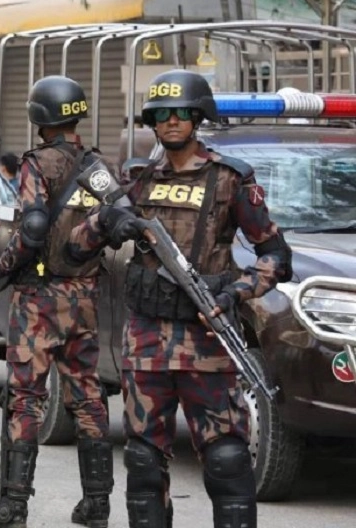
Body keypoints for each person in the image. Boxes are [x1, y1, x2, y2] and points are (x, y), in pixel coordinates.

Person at [68, 70, 291, 528]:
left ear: (198, 118)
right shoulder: (137, 182)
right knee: (144, 461)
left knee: (228, 458)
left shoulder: (229, 179)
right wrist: (110, 223)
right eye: (162, 114)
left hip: (206, 341)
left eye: (182, 113)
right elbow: (74, 247)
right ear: (152, 122)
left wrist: (235, 293)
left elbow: (275, 255)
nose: (171, 122)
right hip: (146, 343)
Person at [0, 76, 112, 528]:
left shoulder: (37, 163)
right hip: (86, 295)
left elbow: (32, 229)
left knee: (25, 396)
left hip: (39, 297)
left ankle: (13, 504)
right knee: (88, 395)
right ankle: (98, 503)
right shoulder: (98, 166)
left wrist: (0, 271)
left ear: (39, 117)